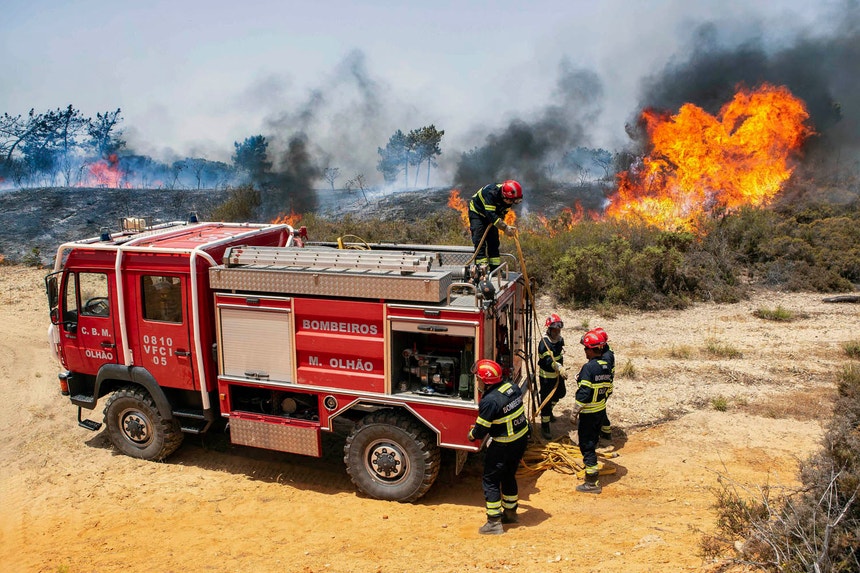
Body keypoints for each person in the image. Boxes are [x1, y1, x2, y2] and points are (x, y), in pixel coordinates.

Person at [467, 358, 530, 534]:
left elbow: (480, 431)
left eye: (478, 377)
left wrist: (471, 435)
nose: (477, 381)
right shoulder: (512, 387)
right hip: (520, 440)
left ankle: (494, 522)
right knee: (509, 475)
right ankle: (510, 513)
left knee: (491, 480)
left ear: (485, 381)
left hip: (503, 445)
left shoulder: (489, 401)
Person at [571, 328, 614, 494]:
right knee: (593, 441)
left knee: (586, 445)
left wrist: (575, 411)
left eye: (585, 349)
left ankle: (591, 482)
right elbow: (609, 389)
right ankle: (592, 472)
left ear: (590, 349)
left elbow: (584, 392)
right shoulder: (606, 366)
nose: (584, 352)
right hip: (600, 411)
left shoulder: (589, 368)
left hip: (588, 414)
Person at [468, 180, 523, 271]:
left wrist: (502, 223)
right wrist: (505, 228)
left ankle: (495, 269)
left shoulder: (508, 199)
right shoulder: (491, 193)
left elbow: (501, 213)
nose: (512, 203)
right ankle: (481, 269)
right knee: (479, 241)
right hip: (477, 213)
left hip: (491, 215)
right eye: (512, 201)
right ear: (505, 196)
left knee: (494, 241)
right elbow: (490, 214)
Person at [537, 313, 565, 440]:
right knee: (546, 401)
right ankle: (545, 425)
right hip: (547, 377)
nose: (557, 331)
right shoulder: (544, 343)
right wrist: (559, 367)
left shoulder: (559, 340)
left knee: (561, 393)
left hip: (558, 375)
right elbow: (549, 360)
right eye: (555, 329)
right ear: (549, 329)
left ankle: (550, 411)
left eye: (558, 329)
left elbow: (559, 355)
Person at [592, 327, 615, 447]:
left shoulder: (606, 356)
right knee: (600, 408)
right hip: (605, 385)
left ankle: (600, 435)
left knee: (597, 410)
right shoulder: (606, 350)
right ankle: (606, 431)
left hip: (603, 385)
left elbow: (603, 372)